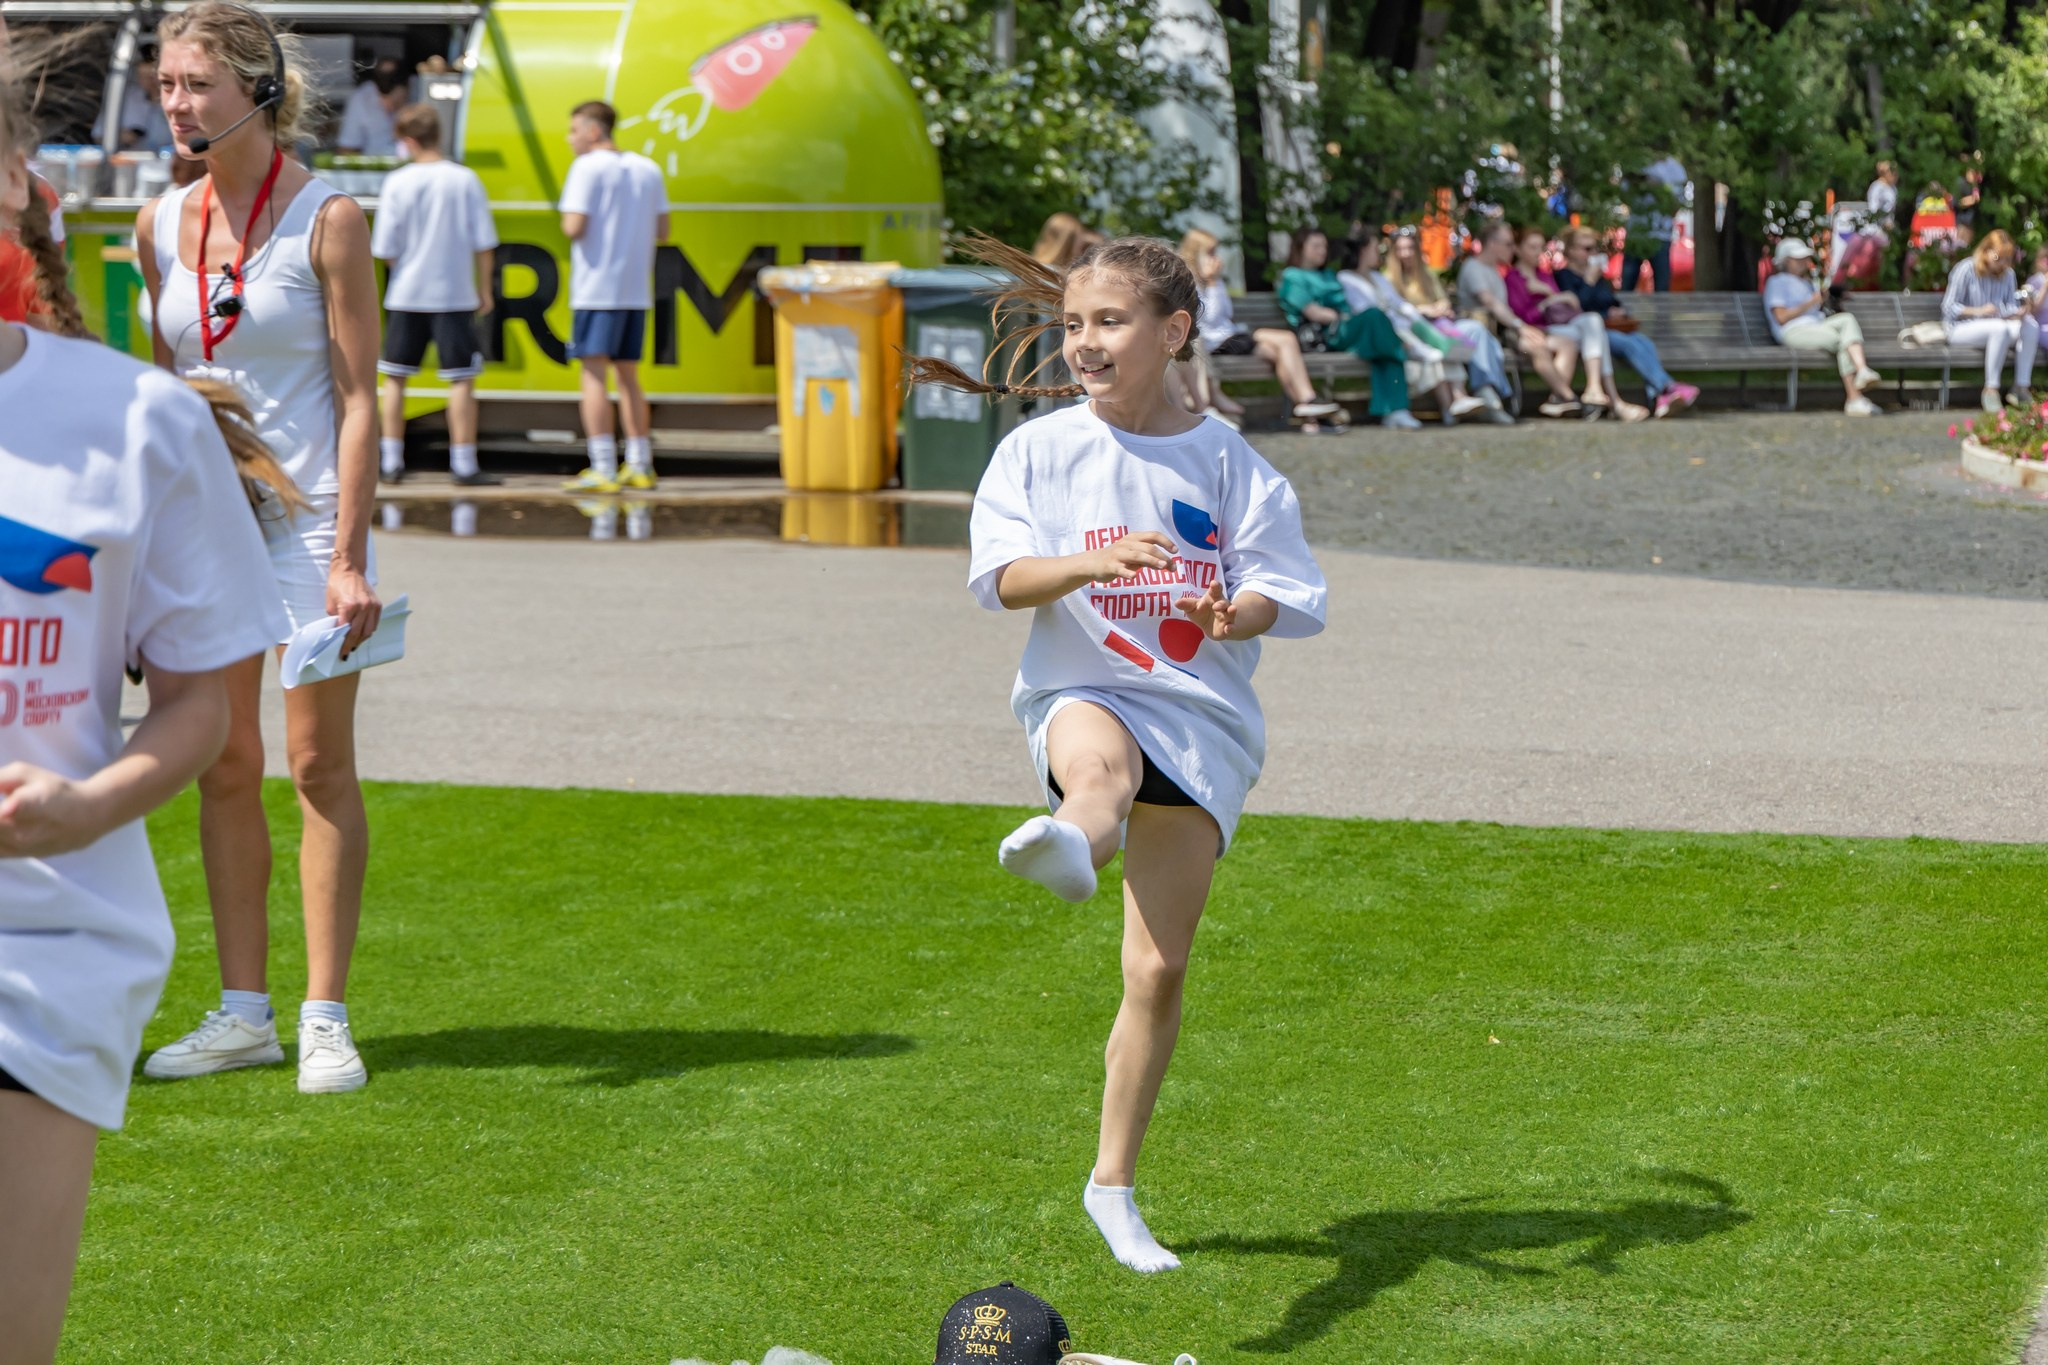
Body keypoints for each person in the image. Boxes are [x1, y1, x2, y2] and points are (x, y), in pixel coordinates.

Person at [905, 233, 1326, 1274]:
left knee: (1157, 966)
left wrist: (1231, 613)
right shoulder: (1038, 452)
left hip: (1198, 710)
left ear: (1172, 331)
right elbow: (999, 580)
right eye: (1075, 324)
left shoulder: (1230, 461)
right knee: (1100, 774)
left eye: (1109, 323)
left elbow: (1288, 591)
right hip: (1081, 684)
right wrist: (1091, 562)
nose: (1083, 344)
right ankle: (1066, 843)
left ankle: (1111, 1188)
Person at [0, 58, 296, 1363]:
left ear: (16, 183)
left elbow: (196, 712)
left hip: (38, 954)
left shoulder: (133, 422)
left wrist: (86, 805)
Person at [135, 0, 386, 1093]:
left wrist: (350, 557)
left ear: (258, 89)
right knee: (222, 762)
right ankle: (246, 1014)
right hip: (203, 528)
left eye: (196, 85)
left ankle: (325, 1016)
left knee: (318, 763)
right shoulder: (155, 224)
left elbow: (362, 396)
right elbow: (162, 396)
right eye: (168, 84)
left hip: (314, 522)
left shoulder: (330, 217)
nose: (176, 104)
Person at [372, 102, 500, 485]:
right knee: (461, 379)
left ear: (408, 140)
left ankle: (391, 459)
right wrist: (483, 287)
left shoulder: (397, 182)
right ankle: (464, 463)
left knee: (395, 378)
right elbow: (484, 243)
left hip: (407, 293)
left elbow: (386, 249)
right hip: (454, 293)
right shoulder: (464, 179)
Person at [559, 99, 668, 493]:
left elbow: (573, 225)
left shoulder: (586, 168)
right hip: (635, 289)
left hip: (595, 288)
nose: (570, 139)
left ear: (592, 130)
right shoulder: (647, 168)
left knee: (593, 376)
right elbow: (664, 230)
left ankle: (602, 465)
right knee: (630, 378)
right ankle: (640, 462)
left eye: (574, 130)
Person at [1175, 228, 1340, 432]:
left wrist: (1215, 283)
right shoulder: (1190, 281)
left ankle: (1307, 406)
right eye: (1210, 253)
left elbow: (1226, 312)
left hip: (1230, 335)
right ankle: (1307, 401)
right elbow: (1208, 317)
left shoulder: (1212, 280)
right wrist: (1212, 282)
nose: (1215, 258)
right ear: (1196, 253)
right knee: (1282, 344)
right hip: (1215, 341)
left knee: (1282, 344)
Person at [1337, 233, 1489, 426]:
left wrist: (1419, 321)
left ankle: (1453, 402)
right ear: (1362, 251)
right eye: (1374, 249)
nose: (1378, 253)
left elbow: (1399, 305)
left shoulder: (1377, 277)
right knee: (1412, 353)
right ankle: (1446, 405)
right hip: (1380, 335)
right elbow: (1367, 311)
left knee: (1436, 349)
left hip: (1403, 329)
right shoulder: (1347, 279)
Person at [1276, 226, 1417, 429]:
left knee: (1382, 347)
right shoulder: (1293, 276)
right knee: (1377, 321)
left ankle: (1395, 411)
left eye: (1324, 246)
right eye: (1316, 246)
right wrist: (1340, 316)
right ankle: (1395, 406)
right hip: (1325, 336)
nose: (1322, 251)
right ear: (1300, 248)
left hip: (1345, 330)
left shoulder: (1328, 275)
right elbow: (1314, 313)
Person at [1504, 225, 1645, 420]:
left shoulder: (1544, 275)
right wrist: (1547, 299)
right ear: (1518, 249)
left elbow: (1573, 308)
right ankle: (1610, 400)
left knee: (1593, 323)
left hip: (1559, 328)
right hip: (1539, 331)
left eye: (1540, 247)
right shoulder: (1514, 278)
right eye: (1532, 247)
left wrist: (1554, 296)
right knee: (1596, 332)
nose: (1538, 252)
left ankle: (1589, 391)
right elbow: (1523, 317)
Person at [1555, 227, 1699, 418]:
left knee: (1644, 342)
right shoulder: (1563, 276)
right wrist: (1589, 280)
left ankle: (1659, 396)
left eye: (1594, 249)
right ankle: (1667, 388)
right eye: (1587, 249)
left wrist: (1616, 310)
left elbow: (1609, 300)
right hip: (1590, 333)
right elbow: (1577, 306)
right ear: (1571, 250)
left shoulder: (1597, 276)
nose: (1592, 254)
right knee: (1629, 344)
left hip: (1611, 326)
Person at [1383, 227, 1515, 422]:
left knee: (1476, 330)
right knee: (1443, 346)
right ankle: (1454, 403)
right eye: (1401, 249)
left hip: (1440, 324)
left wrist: (1441, 307)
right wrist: (1423, 310)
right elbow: (1393, 311)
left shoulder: (1426, 275)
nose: (1406, 253)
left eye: (1410, 248)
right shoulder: (1388, 278)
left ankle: (1485, 389)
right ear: (1394, 253)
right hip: (1413, 331)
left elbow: (1442, 299)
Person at [1456, 221, 1580, 416]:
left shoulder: (1494, 270)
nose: (1512, 248)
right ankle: (1568, 397)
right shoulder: (1474, 268)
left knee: (1567, 344)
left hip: (1508, 331)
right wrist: (1520, 326)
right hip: (1490, 336)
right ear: (1492, 244)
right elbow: (1491, 303)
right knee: (1537, 347)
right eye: (1508, 243)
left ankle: (1558, 399)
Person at [1762, 238, 1882, 416]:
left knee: (1847, 319)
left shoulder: (1805, 283)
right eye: (1798, 259)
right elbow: (1781, 317)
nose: (1804, 262)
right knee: (1842, 341)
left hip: (1815, 325)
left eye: (1804, 258)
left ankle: (1862, 370)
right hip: (1792, 331)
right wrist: (1811, 302)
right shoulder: (1777, 282)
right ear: (1786, 261)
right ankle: (1854, 398)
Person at [1942, 228, 2036, 412]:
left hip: (1998, 325)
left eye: (2007, 259)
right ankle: (1991, 390)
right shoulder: (1966, 269)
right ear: (1986, 251)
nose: (2003, 264)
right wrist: (1979, 311)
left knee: (2030, 325)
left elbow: (2008, 305)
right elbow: (1948, 306)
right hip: (1960, 327)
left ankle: (2021, 388)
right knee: (1999, 328)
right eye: (1998, 258)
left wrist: (2018, 312)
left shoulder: (2008, 275)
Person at [1623, 155, 1686, 292]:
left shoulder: (1675, 169)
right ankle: (1623, 313)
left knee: (1662, 286)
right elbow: (1625, 197)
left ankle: (1662, 314)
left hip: (1661, 235)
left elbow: (1675, 207)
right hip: (1636, 234)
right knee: (1627, 283)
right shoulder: (1634, 162)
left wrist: (1659, 187)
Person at [104, 49, 173, 151]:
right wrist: (120, 136)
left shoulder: (174, 100)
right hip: (130, 159)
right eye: (142, 77)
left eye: (151, 77)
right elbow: (99, 135)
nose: (149, 82)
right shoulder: (122, 98)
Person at [334, 55, 404, 156]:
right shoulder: (361, 97)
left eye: (394, 99)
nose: (387, 105)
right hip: (373, 166)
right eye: (383, 97)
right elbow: (347, 147)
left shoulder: (421, 94)